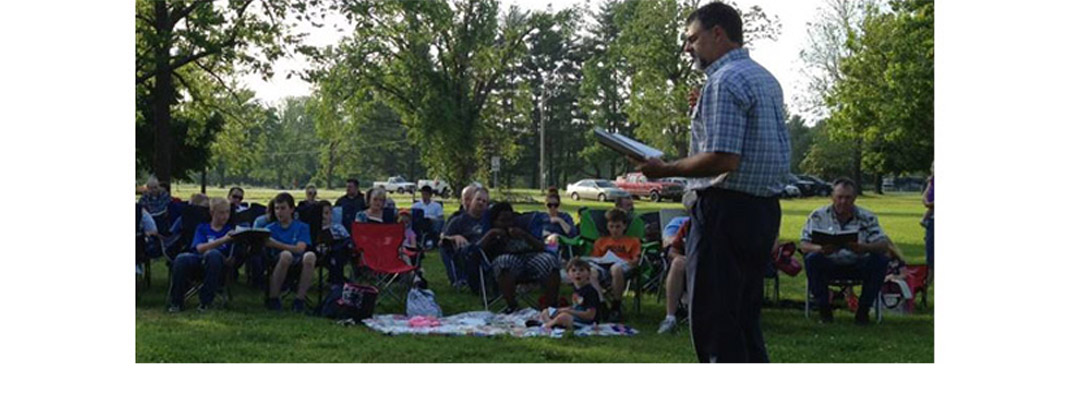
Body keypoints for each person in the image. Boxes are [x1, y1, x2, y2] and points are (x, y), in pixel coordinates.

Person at [634, 2, 790, 362]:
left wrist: (665, 169)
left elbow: (723, 159)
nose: (688, 48)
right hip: (762, 211)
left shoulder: (724, 81)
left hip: (724, 211)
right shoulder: (763, 77)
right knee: (744, 318)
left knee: (715, 320)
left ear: (717, 33)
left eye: (692, 38)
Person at [799, 178, 891, 325]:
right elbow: (804, 244)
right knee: (812, 259)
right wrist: (821, 249)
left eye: (848, 198)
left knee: (880, 259)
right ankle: (824, 310)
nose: (843, 201)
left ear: (855, 198)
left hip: (858, 264)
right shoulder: (818, 216)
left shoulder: (867, 217)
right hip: (829, 263)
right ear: (832, 197)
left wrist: (865, 248)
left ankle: (863, 311)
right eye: (839, 197)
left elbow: (884, 244)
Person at [479, 202, 561, 314]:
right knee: (504, 263)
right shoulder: (491, 233)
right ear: (495, 222)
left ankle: (551, 307)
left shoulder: (522, 226)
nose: (508, 224)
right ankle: (513, 307)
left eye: (510, 220)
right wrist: (491, 235)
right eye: (503, 221)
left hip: (531, 257)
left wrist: (525, 236)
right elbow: (477, 250)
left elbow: (542, 247)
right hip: (507, 261)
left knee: (550, 261)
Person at [167, 197, 234, 312]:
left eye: (227, 212)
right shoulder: (202, 228)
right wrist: (223, 240)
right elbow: (199, 248)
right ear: (212, 213)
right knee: (181, 258)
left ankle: (206, 302)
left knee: (213, 254)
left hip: (219, 264)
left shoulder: (232, 230)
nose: (225, 216)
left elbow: (233, 256)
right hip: (199, 260)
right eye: (221, 213)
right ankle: (176, 302)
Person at [264, 192, 317, 312]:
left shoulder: (302, 227)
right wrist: (286, 248)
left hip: (298, 259)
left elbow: (300, 249)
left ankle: (300, 300)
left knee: (310, 256)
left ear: (292, 209)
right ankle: (274, 298)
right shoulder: (269, 229)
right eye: (276, 208)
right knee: (286, 255)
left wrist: (276, 244)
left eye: (283, 208)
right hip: (277, 260)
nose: (279, 212)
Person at [587, 208, 641, 322]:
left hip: (623, 266)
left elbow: (636, 260)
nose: (614, 230)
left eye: (618, 226)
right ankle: (601, 304)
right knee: (591, 271)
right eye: (611, 226)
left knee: (616, 269)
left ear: (624, 226)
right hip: (604, 265)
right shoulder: (601, 242)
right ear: (607, 226)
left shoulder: (633, 241)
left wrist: (630, 262)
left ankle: (616, 306)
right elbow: (596, 258)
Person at [441, 186, 490, 288]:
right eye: (478, 199)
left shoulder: (490, 219)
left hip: (488, 250)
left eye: (484, 201)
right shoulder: (458, 220)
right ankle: (462, 280)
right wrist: (454, 237)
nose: (481, 203)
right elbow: (442, 240)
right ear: (471, 201)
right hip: (467, 253)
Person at [530, 258, 600, 330]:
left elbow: (590, 315)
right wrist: (562, 309)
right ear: (568, 274)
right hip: (574, 317)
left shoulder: (591, 292)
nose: (577, 273)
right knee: (546, 311)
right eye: (573, 270)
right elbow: (576, 306)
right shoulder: (577, 289)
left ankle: (547, 326)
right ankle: (553, 324)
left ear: (588, 273)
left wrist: (568, 311)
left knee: (563, 317)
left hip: (587, 322)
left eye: (581, 270)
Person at [658, 218, 691, 334]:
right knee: (677, 263)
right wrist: (682, 258)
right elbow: (673, 251)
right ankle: (670, 318)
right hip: (690, 268)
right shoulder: (687, 226)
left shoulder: (720, 225)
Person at [317, 200, 352, 285]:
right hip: (321, 254)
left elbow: (348, 240)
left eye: (326, 213)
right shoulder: (315, 229)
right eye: (320, 214)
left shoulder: (337, 227)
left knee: (339, 251)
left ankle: (336, 282)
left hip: (338, 253)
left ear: (331, 214)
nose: (323, 216)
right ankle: (337, 281)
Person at [922, 163, 934, 278]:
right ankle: (929, 278)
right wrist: (928, 203)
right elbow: (925, 198)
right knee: (930, 251)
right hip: (932, 220)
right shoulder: (932, 181)